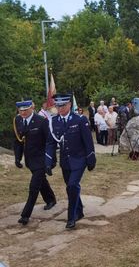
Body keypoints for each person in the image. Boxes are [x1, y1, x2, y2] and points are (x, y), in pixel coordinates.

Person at [46, 94, 96, 229]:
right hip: (65, 162)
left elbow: (88, 141)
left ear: (69, 105)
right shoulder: (53, 121)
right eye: (57, 105)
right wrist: (48, 161)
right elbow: (50, 143)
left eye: (63, 105)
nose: (60, 108)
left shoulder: (80, 119)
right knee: (71, 188)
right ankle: (79, 211)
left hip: (79, 159)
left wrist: (91, 158)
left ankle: (71, 217)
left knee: (73, 185)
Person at [13, 98, 57, 225]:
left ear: (32, 108)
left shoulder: (41, 121)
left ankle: (25, 215)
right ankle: (51, 200)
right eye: (20, 111)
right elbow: (18, 140)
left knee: (33, 187)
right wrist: (17, 157)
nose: (23, 113)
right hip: (29, 160)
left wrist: (51, 161)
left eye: (25, 110)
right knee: (41, 181)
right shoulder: (17, 120)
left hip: (41, 159)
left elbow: (50, 142)